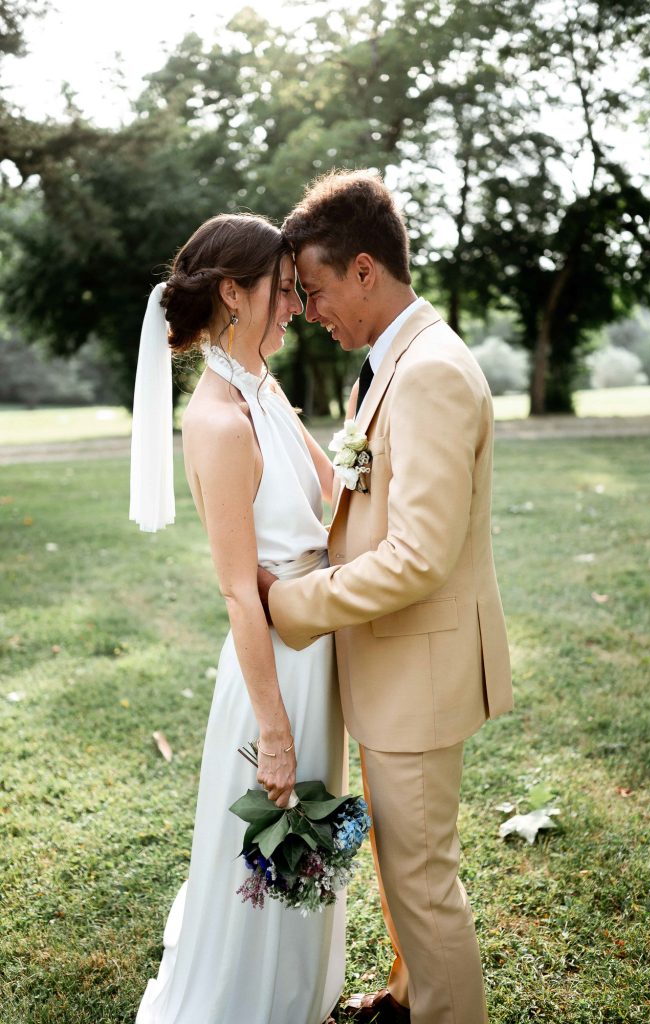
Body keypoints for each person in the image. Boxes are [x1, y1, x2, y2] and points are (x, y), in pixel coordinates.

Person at [258, 171, 514, 1024]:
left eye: (317, 289)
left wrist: (292, 603)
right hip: (393, 664)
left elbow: (417, 557)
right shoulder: (390, 363)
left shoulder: (432, 370)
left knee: (422, 875)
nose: (311, 309)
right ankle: (408, 1001)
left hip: (422, 668)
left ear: (364, 270)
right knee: (400, 861)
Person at [129, 213, 345, 1024]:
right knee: (267, 847)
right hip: (272, 671)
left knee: (310, 847)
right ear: (232, 292)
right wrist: (276, 730)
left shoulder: (263, 386)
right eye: (283, 291)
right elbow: (233, 590)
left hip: (311, 640)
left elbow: (333, 486)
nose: (295, 305)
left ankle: (301, 996)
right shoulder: (219, 419)